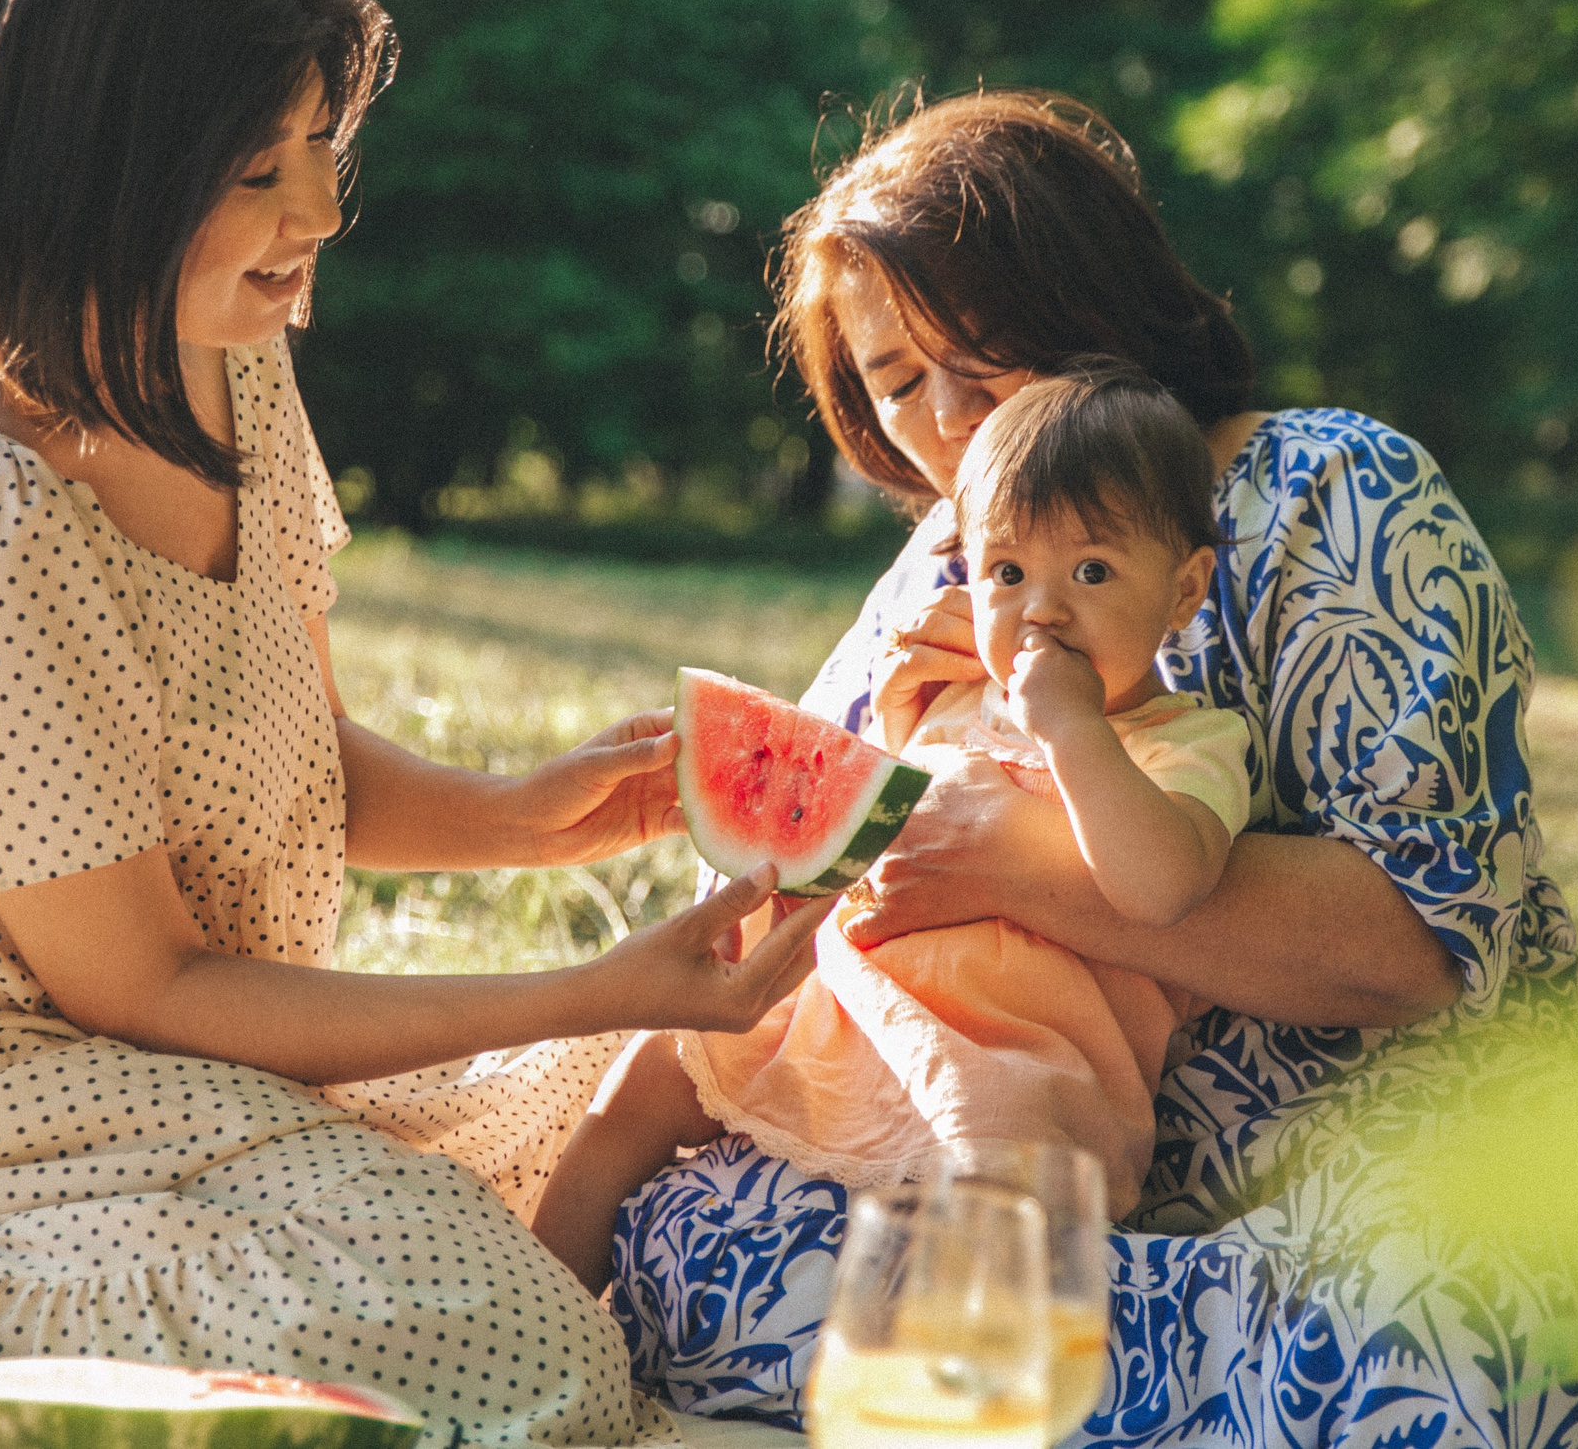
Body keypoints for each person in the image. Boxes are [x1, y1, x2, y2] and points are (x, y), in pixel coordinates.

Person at [602, 90, 1578, 1449]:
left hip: (1386, 1170)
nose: (943, 421)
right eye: (893, 380)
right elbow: (779, 892)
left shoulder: (1339, 487)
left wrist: (1007, 856)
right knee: (689, 1237)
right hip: (1057, 1193)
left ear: (1085, 295)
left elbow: (1410, 945)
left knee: (1470, 1342)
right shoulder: (942, 568)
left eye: (976, 355)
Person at [0, 0, 831, 1442]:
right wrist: (584, 985)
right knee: (523, 1354)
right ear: (94, 172)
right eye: (259, 169)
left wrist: (523, 809)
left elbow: (292, 760)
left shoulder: (208, 343)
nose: (318, 211)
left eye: (320, 144)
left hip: (195, 1085)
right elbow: (148, 979)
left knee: (696, 1126)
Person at [535, 363, 1249, 1290]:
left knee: (988, 1216)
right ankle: (542, 1304)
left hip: (1011, 1069)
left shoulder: (1189, 740)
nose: (1041, 606)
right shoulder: (949, 696)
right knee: (649, 1073)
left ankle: (959, 1382)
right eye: (1006, 570)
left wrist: (1072, 727)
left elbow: (1161, 889)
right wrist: (893, 719)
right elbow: (860, 839)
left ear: (1186, 590)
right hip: (842, 1012)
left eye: (1092, 569)